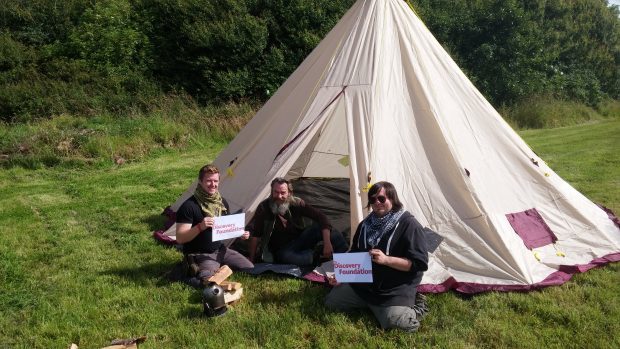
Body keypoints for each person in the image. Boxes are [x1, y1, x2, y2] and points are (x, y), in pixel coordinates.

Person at [325, 181, 429, 332]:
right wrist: (342, 275)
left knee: (398, 325)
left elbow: (419, 264)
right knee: (331, 302)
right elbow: (355, 254)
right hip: (365, 285)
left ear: (392, 199)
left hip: (393, 290)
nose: (377, 203)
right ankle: (374, 307)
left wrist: (387, 260)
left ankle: (416, 305)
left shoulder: (409, 225)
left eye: (381, 199)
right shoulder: (365, 225)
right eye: (372, 199)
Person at [175, 164, 254, 285]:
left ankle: (216, 267)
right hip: (201, 253)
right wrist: (200, 227)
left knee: (250, 268)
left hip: (220, 250)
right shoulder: (189, 206)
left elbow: (228, 227)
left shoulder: (221, 202)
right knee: (209, 282)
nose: (213, 184)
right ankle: (187, 274)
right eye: (208, 181)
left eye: (215, 181)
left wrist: (240, 233)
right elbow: (180, 238)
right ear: (200, 181)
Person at [247, 177, 348, 266]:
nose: (279, 196)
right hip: (282, 249)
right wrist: (251, 259)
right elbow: (256, 235)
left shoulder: (296, 203)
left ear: (289, 193)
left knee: (327, 231)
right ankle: (318, 255)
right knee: (287, 256)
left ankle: (347, 259)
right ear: (272, 191)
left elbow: (321, 217)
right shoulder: (264, 208)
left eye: (283, 193)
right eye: (276, 192)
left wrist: (327, 242)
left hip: (301, 239)